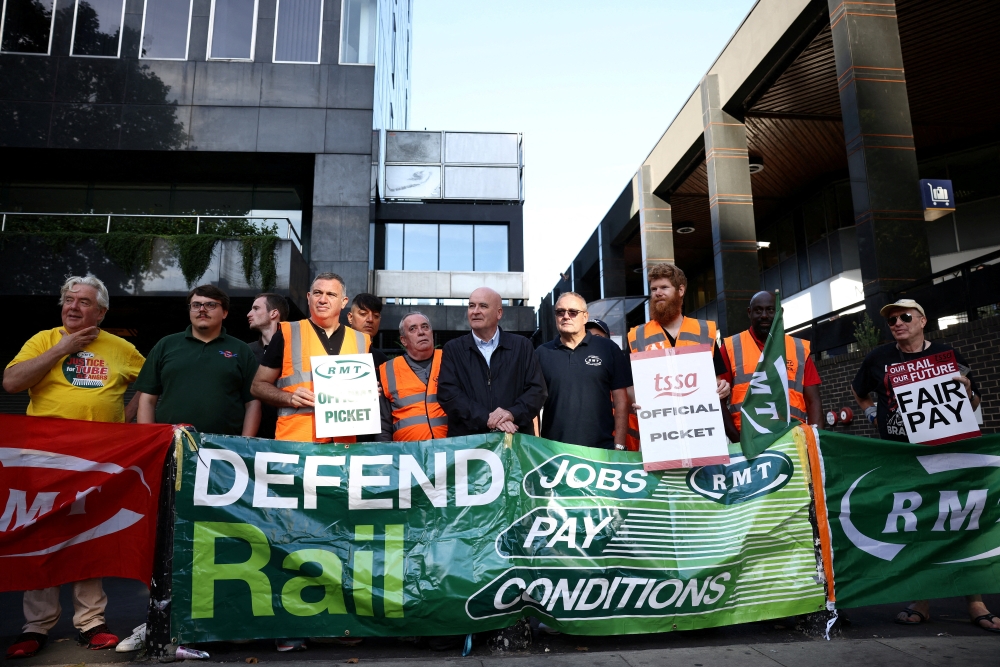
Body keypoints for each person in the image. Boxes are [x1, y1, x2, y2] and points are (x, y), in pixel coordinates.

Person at [3, 274, 144, 658]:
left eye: (83, 301)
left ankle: (91, 622)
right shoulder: (43, 339)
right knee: (42, 538)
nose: (72, 306)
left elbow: (152, 384)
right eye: (68, 299)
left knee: (88, 538)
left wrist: (129, 420)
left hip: (97, 464)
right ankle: (36, 626)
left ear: (100, 311)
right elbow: (12, 383)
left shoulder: (121, 348)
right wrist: (61, 349)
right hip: (41, 460)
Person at [849, 299, 994, 631]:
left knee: (961, 522)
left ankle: (975, 602)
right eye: (892, 320)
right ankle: (922, 600)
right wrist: (872, 413)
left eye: (905, 317)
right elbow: (859, 391)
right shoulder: (879, 358)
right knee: (915, 525)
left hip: (948, 454)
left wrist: (968, 391)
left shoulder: (946, 356)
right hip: (901, 456)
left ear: (922, 320)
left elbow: (974, 405)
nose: (898, 323)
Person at [251, 273, 372, 447]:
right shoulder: (287, 333)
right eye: (317, 293)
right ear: (309, 297)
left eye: (331, 294)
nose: (323, 299)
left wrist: (368, 393)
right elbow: (258, 386)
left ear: (344, 302)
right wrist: (289, 398)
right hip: (296, 444)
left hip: (343, 446)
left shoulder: (361, 341)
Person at [135, 285, 260, 436]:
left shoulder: (241, 350)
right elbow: (147, 399)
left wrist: (244, 445)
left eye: (210, 304)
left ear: (225, 312)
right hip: (170, 443)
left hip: (224, 449)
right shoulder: (166, 345)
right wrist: (148, 439)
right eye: (196, 305)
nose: (202, 309)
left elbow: (253, 403)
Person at [437, 287, 547, 436]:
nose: (475, 311)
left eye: (483, 306)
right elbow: (449, 394)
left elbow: (537, 390)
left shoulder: (522, 346)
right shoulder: (453, 349)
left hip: (514, 440)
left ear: (499, 313)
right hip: (469, 444)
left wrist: (512, 413)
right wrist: (487, 418)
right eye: (471, 306)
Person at [627, 263, 731, 412]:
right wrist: (635, 401)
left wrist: (723, 388)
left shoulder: (705, 331)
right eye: (653, 289)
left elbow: (716, 380)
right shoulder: (636, 336)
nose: (658, 293)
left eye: (664, 287)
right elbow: (630, 384)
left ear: (680, 290)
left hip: (698, 422)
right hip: (658, 424)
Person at [720, 291, 822, 440]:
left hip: (793, 440)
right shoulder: (730, 348)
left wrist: (815, 442)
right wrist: (738, 440)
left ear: (780, 312)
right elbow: (717, 401)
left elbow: (814, 402)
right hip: (749, 441)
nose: (764, 315)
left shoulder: (799, 349)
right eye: (758, 310)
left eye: (770, 309)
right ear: (749, 312)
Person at [535, 293, 632, 449]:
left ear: (585, 317)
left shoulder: (608, 348)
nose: (566, 316)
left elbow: (621, 401)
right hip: (554, 451)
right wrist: (537, 445)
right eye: (560, 312)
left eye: (573, 312)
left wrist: (619, 445)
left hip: (602, 450)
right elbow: (534, 405)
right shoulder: (541, 353)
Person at [378, 312, 447, 441]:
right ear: (403, 340)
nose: (421, 332)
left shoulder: (449, 360)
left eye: (425, 327)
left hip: (450, 451)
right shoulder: (388, 370)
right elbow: (383, 423)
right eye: (413, 329)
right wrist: (384, 452)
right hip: (406, 454)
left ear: (431, 333)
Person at [586, 318, 641, 451]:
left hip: (627, 457)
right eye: (588, 336)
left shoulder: (626, 381)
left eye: (598, 337)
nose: (594, 341)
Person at [247, 293, 289, 439]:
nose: (249, 314)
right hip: (254, 437)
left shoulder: (296, 349)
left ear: (274, 313)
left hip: (289, 432)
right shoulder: (246, 352)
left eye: (256, 308)